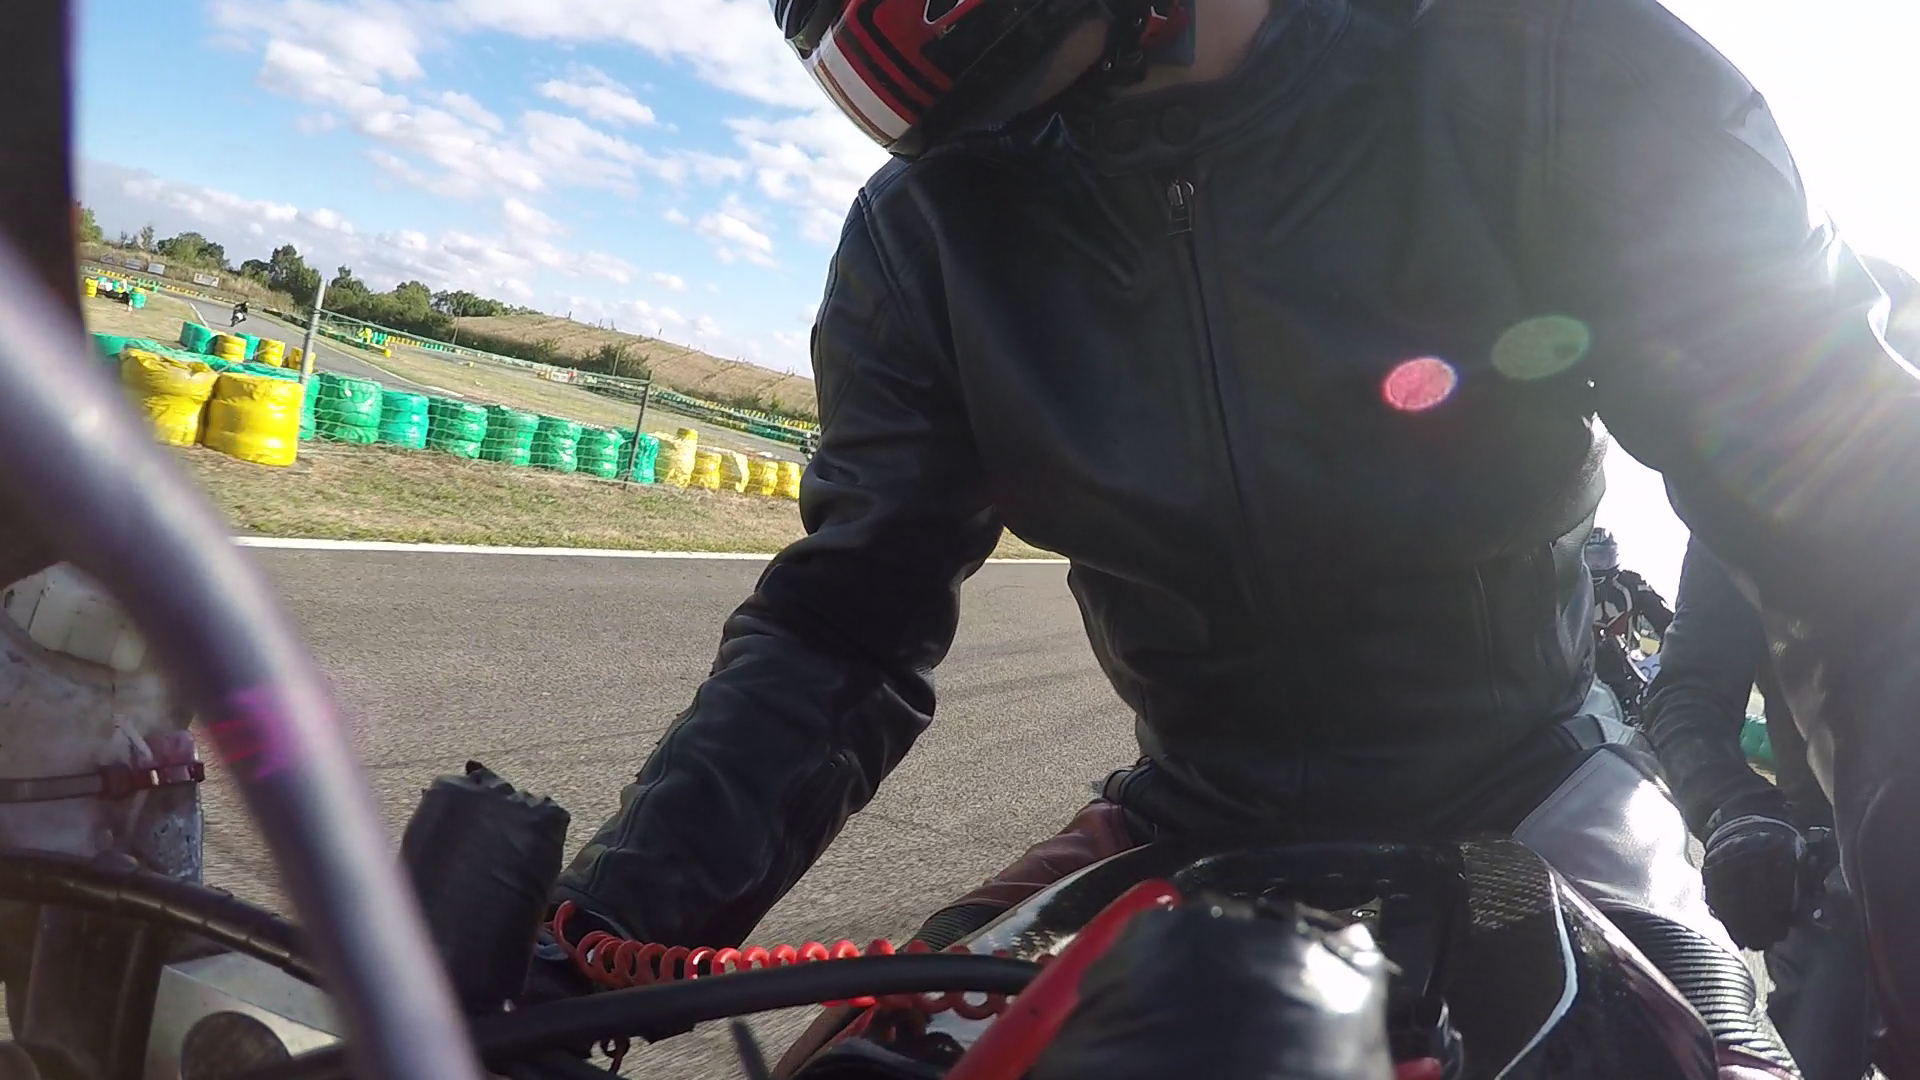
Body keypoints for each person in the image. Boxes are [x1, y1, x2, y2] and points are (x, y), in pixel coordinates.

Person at [539, 0, 1920, 1071]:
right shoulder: (926, 232)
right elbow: (844, 627)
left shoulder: (1541, 63)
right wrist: (585, 940)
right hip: (1194, 801)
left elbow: (1859, 528)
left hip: (1541, 776)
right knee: (854, 1065)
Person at [1645, 540, 1875, 1080]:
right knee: (1818, 1038)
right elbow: (1689, 692)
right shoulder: (1745, 508)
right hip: (1836, 856)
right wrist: (1739, 810)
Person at [1583, 526, 1673, 722]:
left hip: (1631, 667)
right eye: (1592, 558)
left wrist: (1668, 657)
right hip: (1582, 671)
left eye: (1602, 558)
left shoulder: (1631, 584)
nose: (1597, 565)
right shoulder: (1571, 588)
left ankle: (1636, 710)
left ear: (1613, 556)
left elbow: (1666, 621)